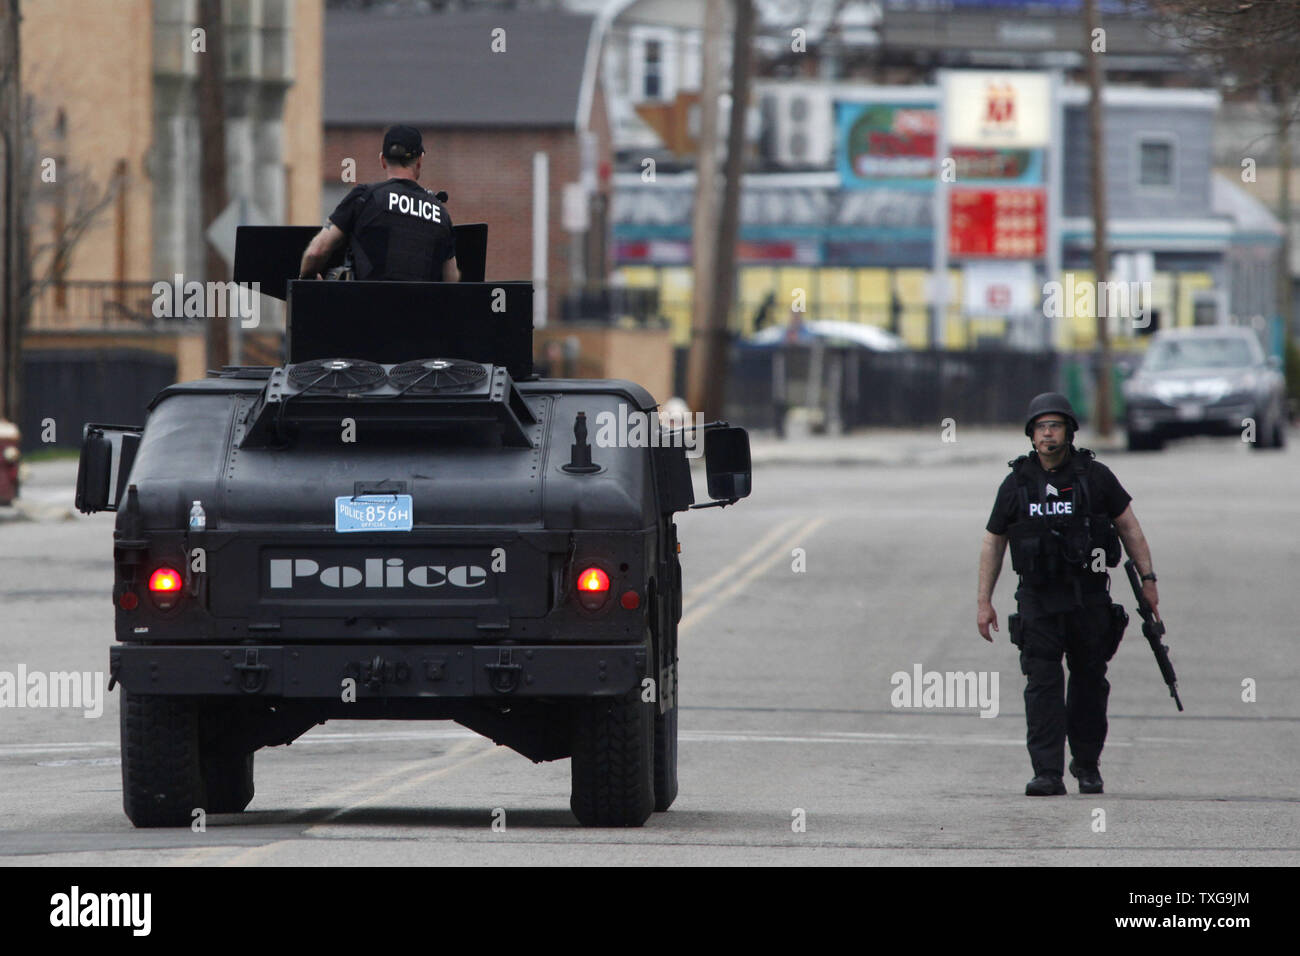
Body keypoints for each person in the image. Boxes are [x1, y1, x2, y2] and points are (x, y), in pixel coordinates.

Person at [976, 392, 1160, 796]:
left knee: (1090, 683)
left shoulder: (1095, 477)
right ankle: (1047, 772)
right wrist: (984, 601)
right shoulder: (1016, 484)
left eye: (1055, 425)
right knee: (1041, 684)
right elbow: (994, 541)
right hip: (1039, 602)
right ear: (1031, 435)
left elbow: (1129, 527)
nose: (1047, 434)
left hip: (1088, 599)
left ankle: (1088, 764)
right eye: (1041, 427)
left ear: (1069, 431)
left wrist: (1148, 580)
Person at [299, 125, 459, 282]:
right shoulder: (439, 213)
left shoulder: (364, 197)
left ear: (382, 160)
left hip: (366, 306)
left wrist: (305, 283)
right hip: (421, 308)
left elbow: (316, 252)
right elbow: (452, 280)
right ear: (419, 160)